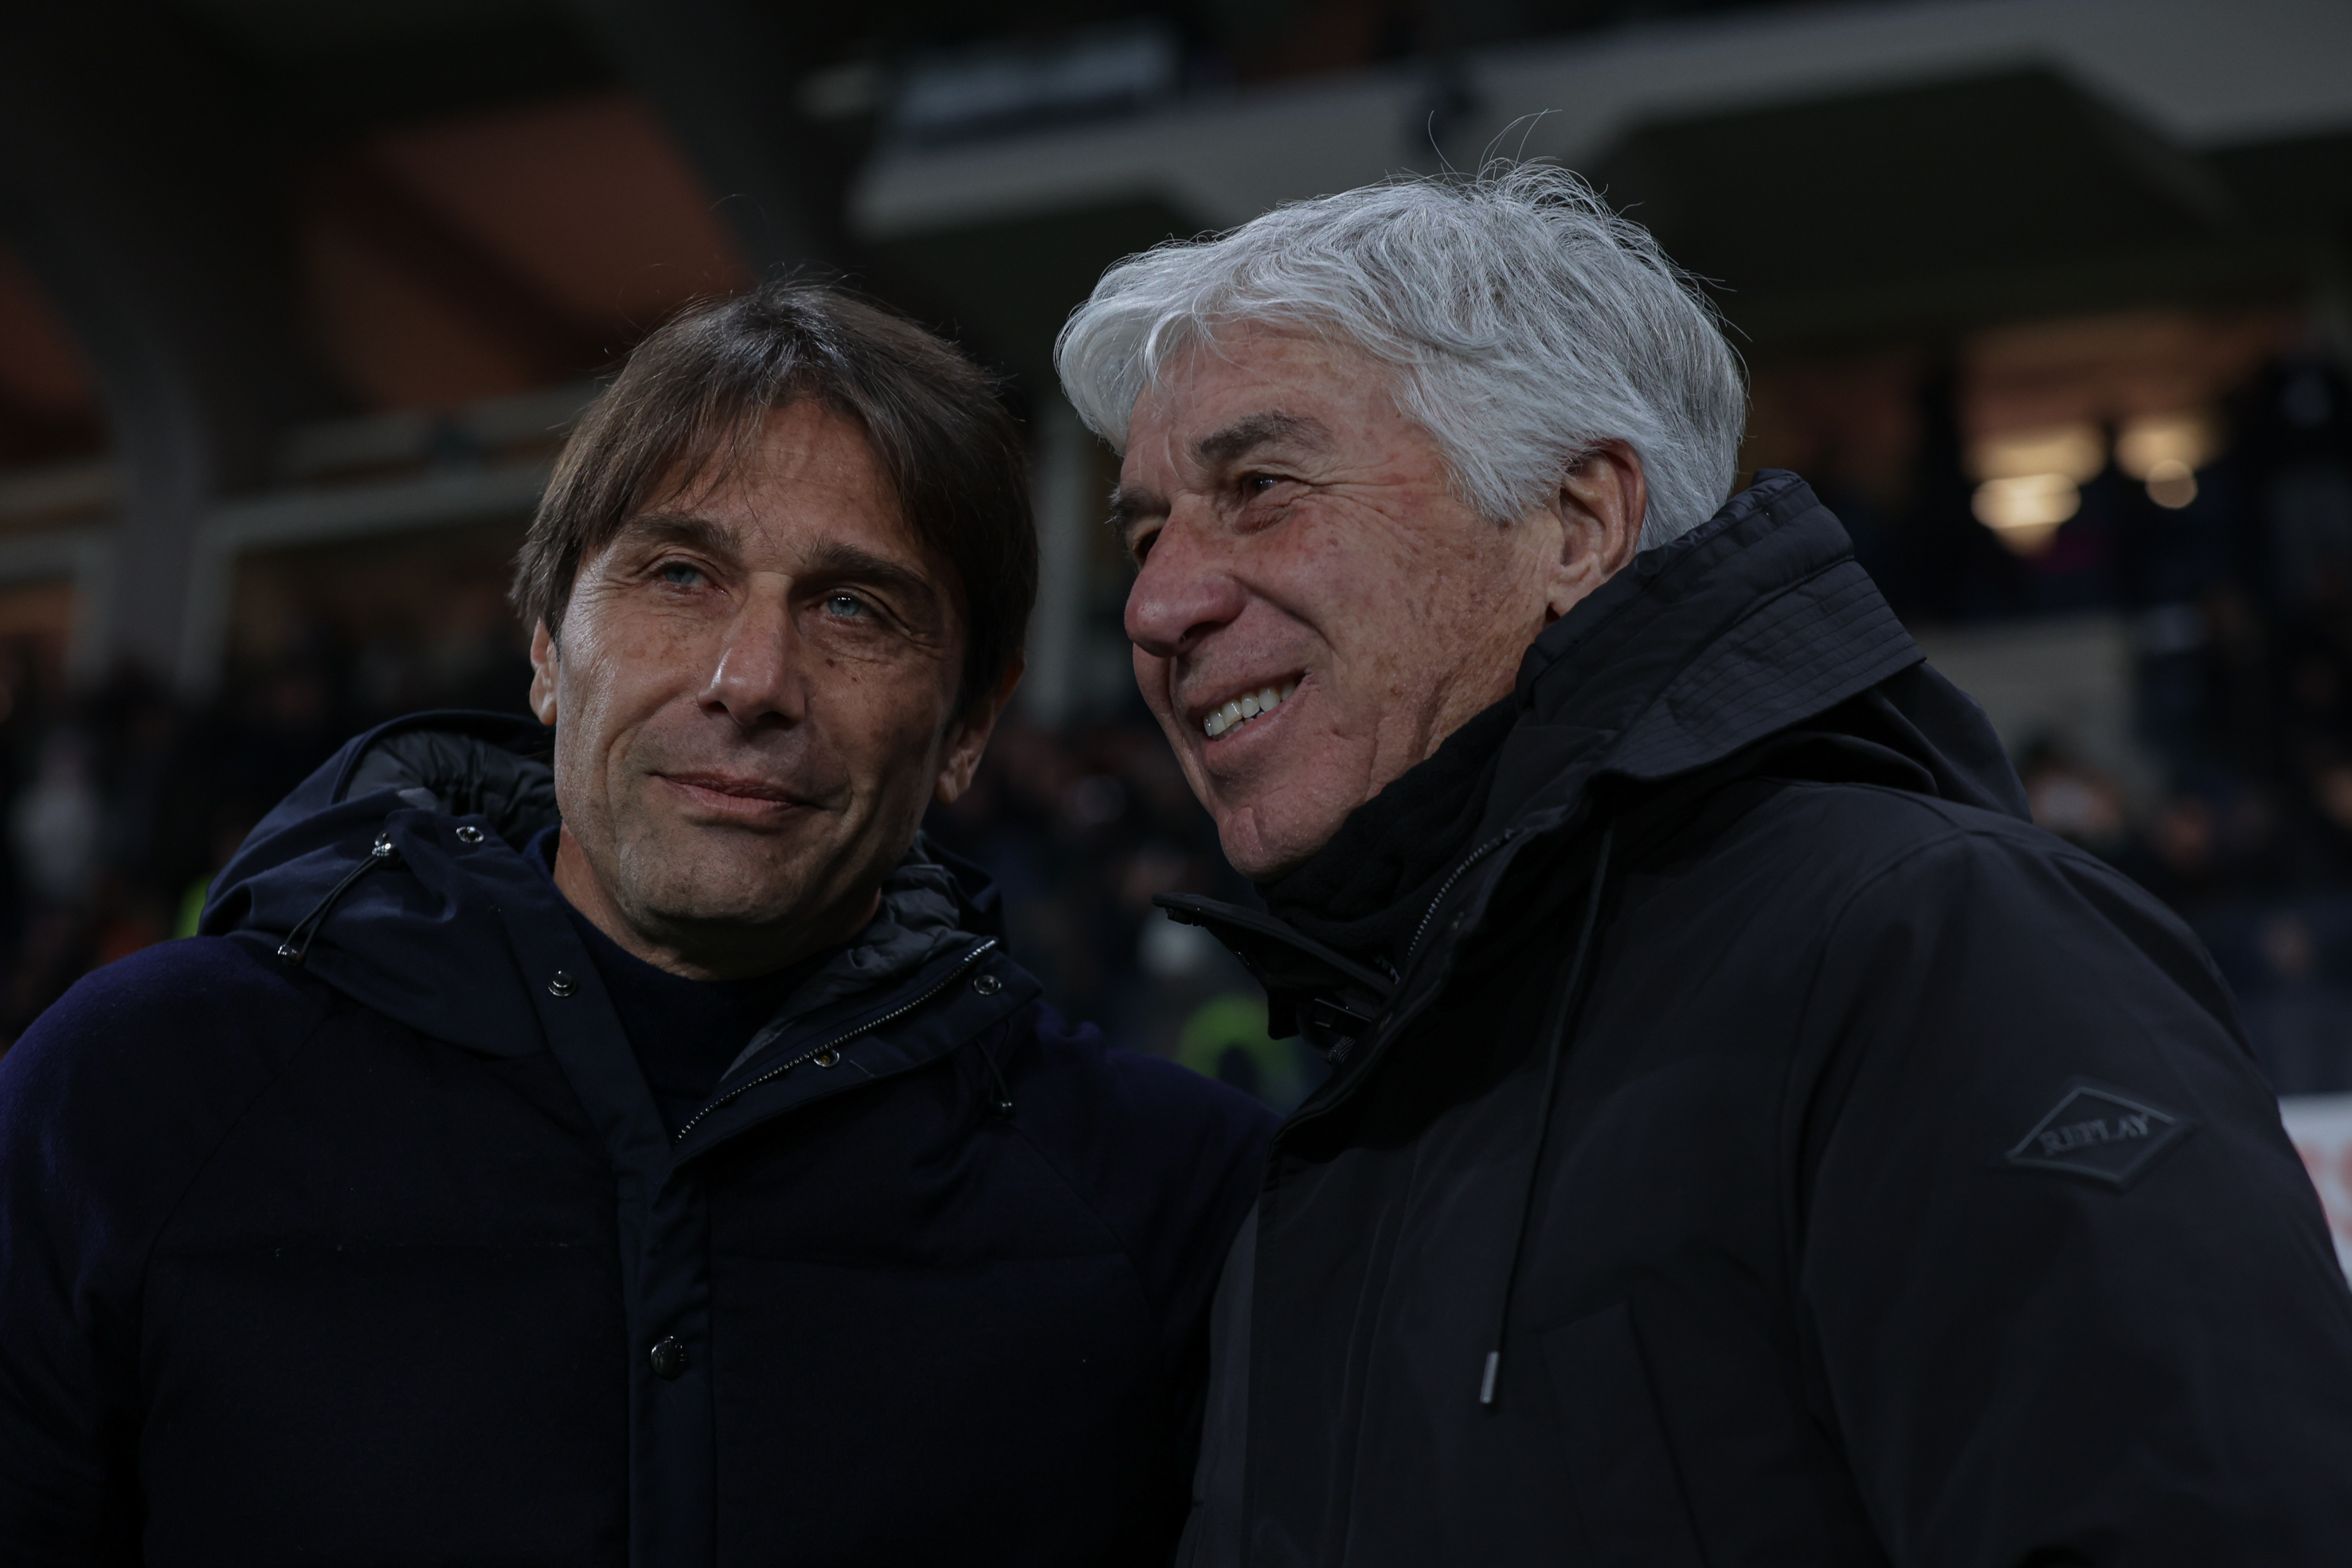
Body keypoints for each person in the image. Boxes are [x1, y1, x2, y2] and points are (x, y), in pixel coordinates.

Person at [1054, 165, 2352, 1565]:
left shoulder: (1938, 946)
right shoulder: (1357, 1105)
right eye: (1144, 532)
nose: (1157, 603)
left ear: (1575, 523)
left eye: (1257, 487)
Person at [0, 282, 1273, 1566]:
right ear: (548, 647)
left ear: (971, 726)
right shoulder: (133, 1097)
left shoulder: (1169, 1203)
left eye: (853, 608)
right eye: (680, 574)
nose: (751, 682)